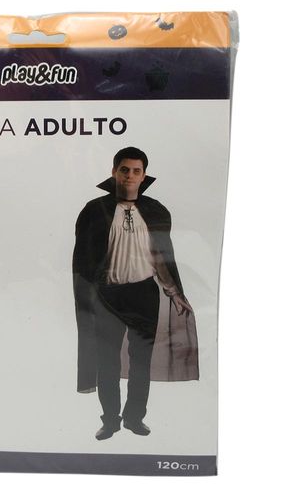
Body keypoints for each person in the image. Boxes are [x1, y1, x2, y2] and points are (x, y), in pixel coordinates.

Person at [72, 147, 199, 441]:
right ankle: (110, 421)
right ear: (114, 172)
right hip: (107, 297)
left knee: (141, 362)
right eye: (124, 170)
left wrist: (174, 292)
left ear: (144, 176)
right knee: (107, 362)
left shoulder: (156, 211)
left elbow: (161, 257)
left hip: (144, 295)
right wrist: (87, 299)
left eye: (136, 171)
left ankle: (134, 418)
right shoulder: (94, 210)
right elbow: (83, 260)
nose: (130, 175)